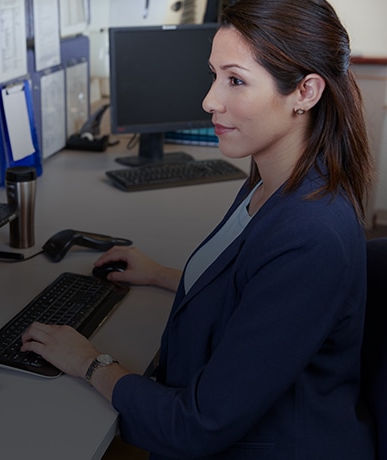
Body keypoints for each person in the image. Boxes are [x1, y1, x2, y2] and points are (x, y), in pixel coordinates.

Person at [21, 0, 377, 458]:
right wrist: (160, 274)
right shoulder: (273, 180)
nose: (209, 100)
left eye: (235, 80)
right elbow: (254, 283)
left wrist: (89, 364)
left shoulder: (311, 233)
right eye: (214, 75)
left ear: (306, 92)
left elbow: (198, 424)